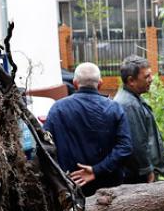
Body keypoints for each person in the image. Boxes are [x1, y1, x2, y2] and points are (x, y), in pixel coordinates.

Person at [42, 62, 134, 195]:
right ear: (100, 83)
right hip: (108, 190)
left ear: (75, 83)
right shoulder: (114, 109)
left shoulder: (58, 109)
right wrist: (97, 170)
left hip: (71, 187)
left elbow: (45, 147)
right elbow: (125, 148)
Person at [113, 55, 164, 182]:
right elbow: (138, 143)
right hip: (140, 177)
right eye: (147, 76)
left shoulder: (132, 98)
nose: (151, 79)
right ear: (131, 80)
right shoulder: (129, 104)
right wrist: (148, 171)